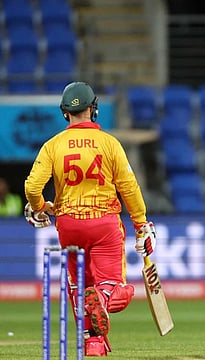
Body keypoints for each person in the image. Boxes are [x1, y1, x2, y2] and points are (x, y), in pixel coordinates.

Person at [24, 82, 157, 357]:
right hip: (104, 223)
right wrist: (141, 224)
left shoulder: (53, 145)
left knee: (78, 286)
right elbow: (128, 187)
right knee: (115, 287)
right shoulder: (109, 143)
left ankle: (93, 343)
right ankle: (104, 299)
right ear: (93, 109)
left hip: (68, 225)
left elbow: (32, 187)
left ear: (65, 113)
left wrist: (39, 207)